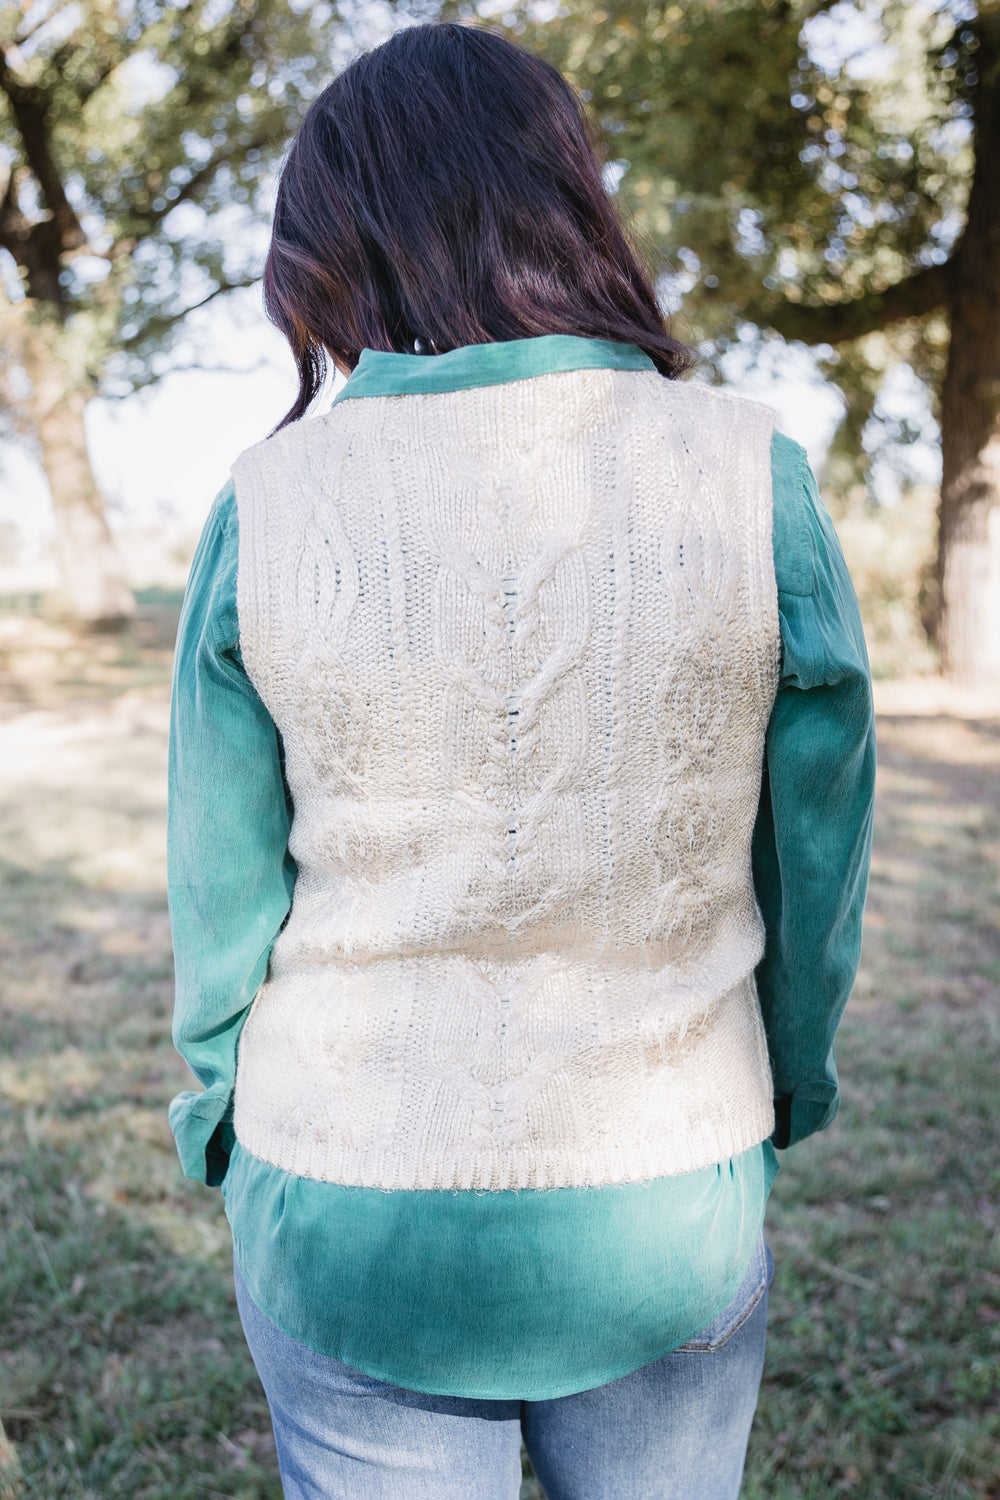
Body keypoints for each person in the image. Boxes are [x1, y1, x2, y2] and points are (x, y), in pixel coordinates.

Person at [167, 22, 876, 1500]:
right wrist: (785, 1086)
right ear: (570, 204)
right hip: (667, 1191)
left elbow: (218, 894)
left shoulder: (267, 506)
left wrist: (221, 1117)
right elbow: (814, 859)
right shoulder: (751, 474)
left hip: (346, 1196)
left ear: (334, 243)